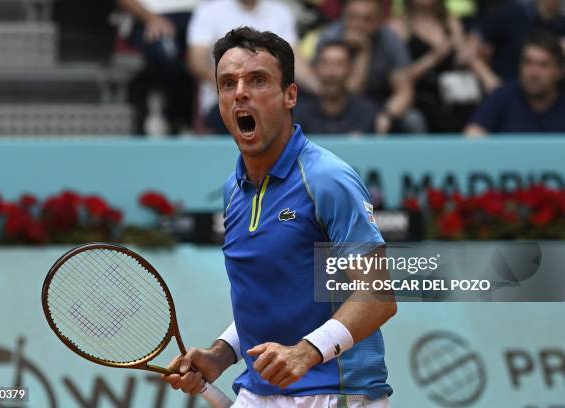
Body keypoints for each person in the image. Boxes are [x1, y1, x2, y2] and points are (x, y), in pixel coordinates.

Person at [161, 27, 396, 407]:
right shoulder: (233, 191)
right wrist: (222, 354)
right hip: (258, 392)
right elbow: (277, 298)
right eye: (227, 83)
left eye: (257, 80)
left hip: (336, 393)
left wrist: (306, 352)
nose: (240, 92)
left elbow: (378, 296)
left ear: (290, 95)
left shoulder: (327, 179)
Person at [187, 0, 320, 134]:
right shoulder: (208, 11)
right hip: (222, 105)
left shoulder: (280, 12)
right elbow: (197, 62)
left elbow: (293, 59)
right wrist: (230, 87)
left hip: (270, 102)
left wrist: (319, 87)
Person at [316, 0, 426, 134]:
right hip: (338, 106)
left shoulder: (389, 39)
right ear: (344, 16)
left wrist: (387, 115)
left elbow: (405, 90)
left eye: (367, 19)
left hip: (380, 105)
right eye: (353, 18)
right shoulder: (331, 37)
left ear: (379, 21)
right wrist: (363, 53)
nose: (358, 25)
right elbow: (349, 93)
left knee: (413, 120)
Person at [388, 0, 492, 132]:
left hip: (455, 94)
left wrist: (472, 53)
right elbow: (398, 79)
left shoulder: (451, 21)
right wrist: (435, 57)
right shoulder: (398, 27)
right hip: (420, 96)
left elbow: (462, 59)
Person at [117, 0, 198, 135]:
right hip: (148, 17)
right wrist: (150, 18)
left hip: (198, 17)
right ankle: (166, 115)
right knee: (166, 53)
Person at [465, 31, 565, 135]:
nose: (534, 73)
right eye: (528, 63)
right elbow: (472, 136)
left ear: (559, 71)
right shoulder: (502, 97)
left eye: (543, 65)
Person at [470, 0, 565, 91]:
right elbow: (471, 46)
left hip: (547, 97)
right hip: (507, 94)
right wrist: (489, 79)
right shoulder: (511, 15)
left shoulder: (561, 26)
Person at [295, 40, 379, 134]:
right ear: (315, 68)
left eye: (339, 64)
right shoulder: (300, 114)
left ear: (350, 69)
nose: (331, 73)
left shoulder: (366, 113)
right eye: (325, 64)